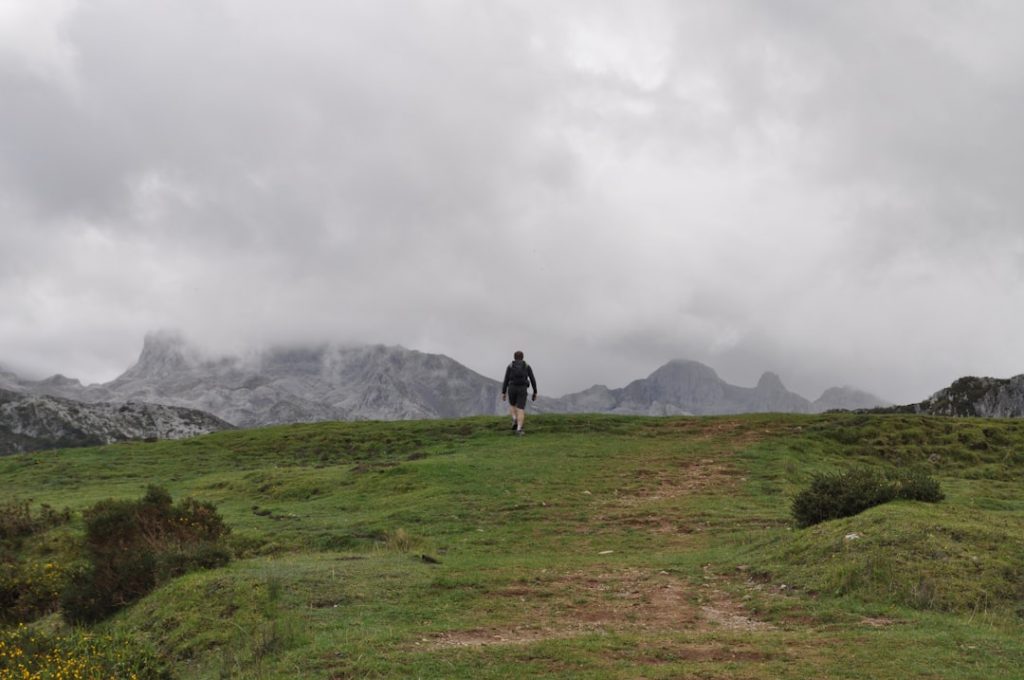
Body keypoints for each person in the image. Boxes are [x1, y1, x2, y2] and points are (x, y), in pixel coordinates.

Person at [501, 350, 537, 436]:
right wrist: (535, 391)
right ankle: (519, 429)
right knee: (520, 409)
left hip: (512, 387)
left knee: (512, 405)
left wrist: (503, 392)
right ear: (522, 357)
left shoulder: (510, 366)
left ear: (514, 357)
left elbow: (506, 379)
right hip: (522, 388)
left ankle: (514, 419)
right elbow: (532, 379)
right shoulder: (527, 366)